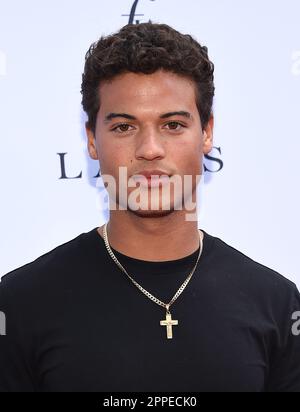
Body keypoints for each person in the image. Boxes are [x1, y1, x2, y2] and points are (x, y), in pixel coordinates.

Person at [0, 22, 300, 392]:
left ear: (206, 133)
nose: (150, 149)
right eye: (125, 127)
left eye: (172, 125)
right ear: (92, 140)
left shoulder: (276, 303)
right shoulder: (20, 303)